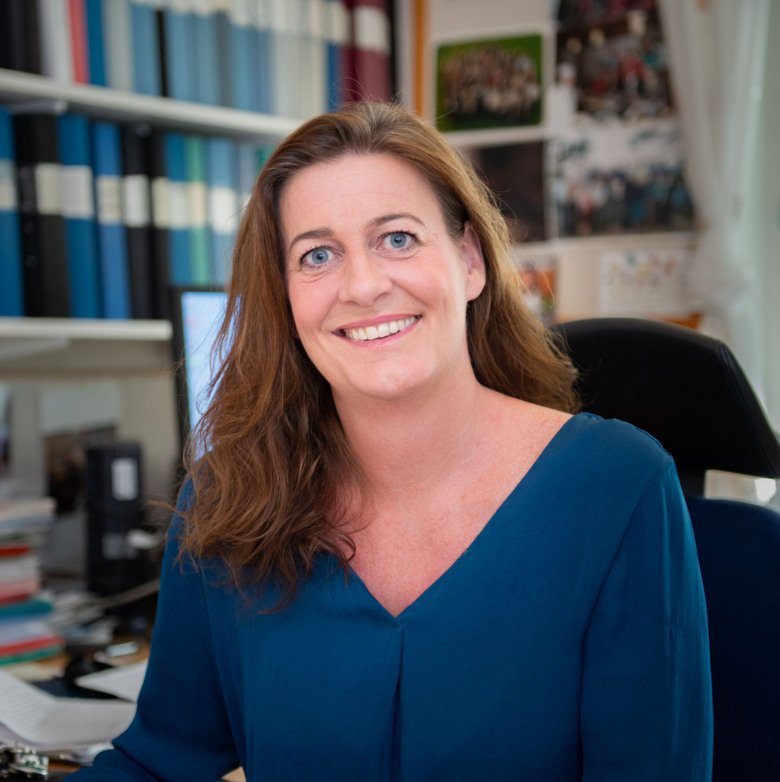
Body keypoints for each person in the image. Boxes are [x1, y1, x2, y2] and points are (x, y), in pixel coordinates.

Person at [69, 101, 712, 780]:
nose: (365, 285)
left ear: (469, 262)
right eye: (317, 255)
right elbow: (160, 765)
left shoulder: (616, 488)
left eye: (397, 239)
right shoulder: (229, 501)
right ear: (285, 299)